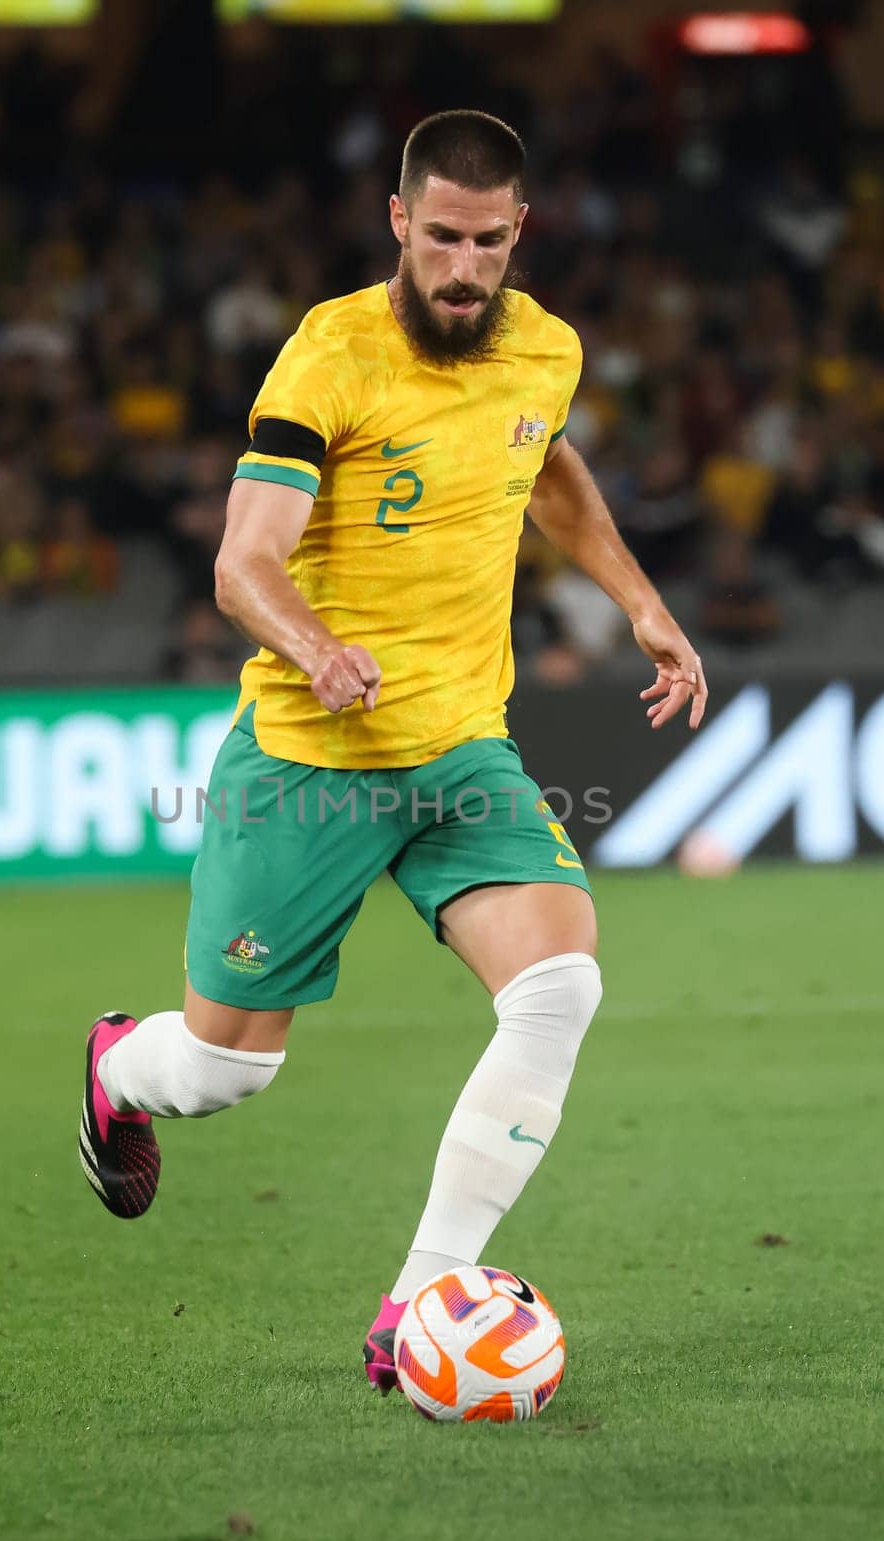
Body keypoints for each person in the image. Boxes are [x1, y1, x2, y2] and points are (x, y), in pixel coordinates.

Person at [77, 110, 707, 1393]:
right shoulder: (330, 354)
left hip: (461, 750)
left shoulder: (545, 347)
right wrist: (314, 647)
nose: (463, 268)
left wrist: (637, 600)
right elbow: (242, 562)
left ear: (517, 232)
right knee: (220, 1068)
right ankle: (116, 1068)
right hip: (311, 756)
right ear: (398, 225)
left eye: (486, 242)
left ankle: (417, 1300)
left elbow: (546, 467)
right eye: (440, 240)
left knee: (557, 988)